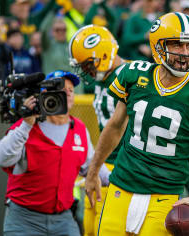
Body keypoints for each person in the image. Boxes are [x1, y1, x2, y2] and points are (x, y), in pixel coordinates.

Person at [84, 12, 189, 235]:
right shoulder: (133, 74)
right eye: (177, 45)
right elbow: (114, 127)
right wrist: (93, 171)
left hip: (165, 197)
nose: (185, 53)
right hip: (120, 187)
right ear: (157, 46)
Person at [0, 70, 110, 236]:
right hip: (24, 219)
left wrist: (118, 180)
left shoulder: (79, 128)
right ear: (45, 94)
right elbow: (1, 158)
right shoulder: (28, 123)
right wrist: (26, 124)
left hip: (63, 219)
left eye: (71, 90)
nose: (67, 94)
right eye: (61, 91)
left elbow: (92, 167)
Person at [68, 24, 125, 236]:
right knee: (90, 230)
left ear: (103, 54)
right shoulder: (104, 77)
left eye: (88, 64)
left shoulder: (131, 76)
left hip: (122, 170)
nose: (85, 71)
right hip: (103, 165)